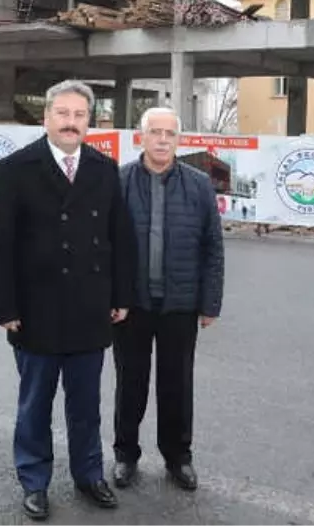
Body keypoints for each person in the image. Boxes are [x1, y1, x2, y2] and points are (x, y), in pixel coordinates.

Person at [0, 79, 136, 521]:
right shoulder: (16, 168)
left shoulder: (104, 169)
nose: (71, 123)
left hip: (91, 309)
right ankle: (34, 482)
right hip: (35, 312)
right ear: (47, 116)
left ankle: (89, 476)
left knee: (86, 405)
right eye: (63, 114)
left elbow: (119, 238)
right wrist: (5, 308)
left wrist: (122, 295)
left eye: (80, 115)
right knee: (35, 405)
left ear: (90, 121)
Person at [111, 106, 225, 491]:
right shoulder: (119, 181)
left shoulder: (197, 185)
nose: (162, 140)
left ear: (179, 140)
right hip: (132, 304)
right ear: (140, 137)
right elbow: (105, 246)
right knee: (131, 382)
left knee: (177, 384)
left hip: (180, 303)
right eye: (155, 132)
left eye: (170, 134)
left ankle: (178, 457)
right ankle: (126, 454)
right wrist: (112, 296)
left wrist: (210, 303)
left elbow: (213, 248)